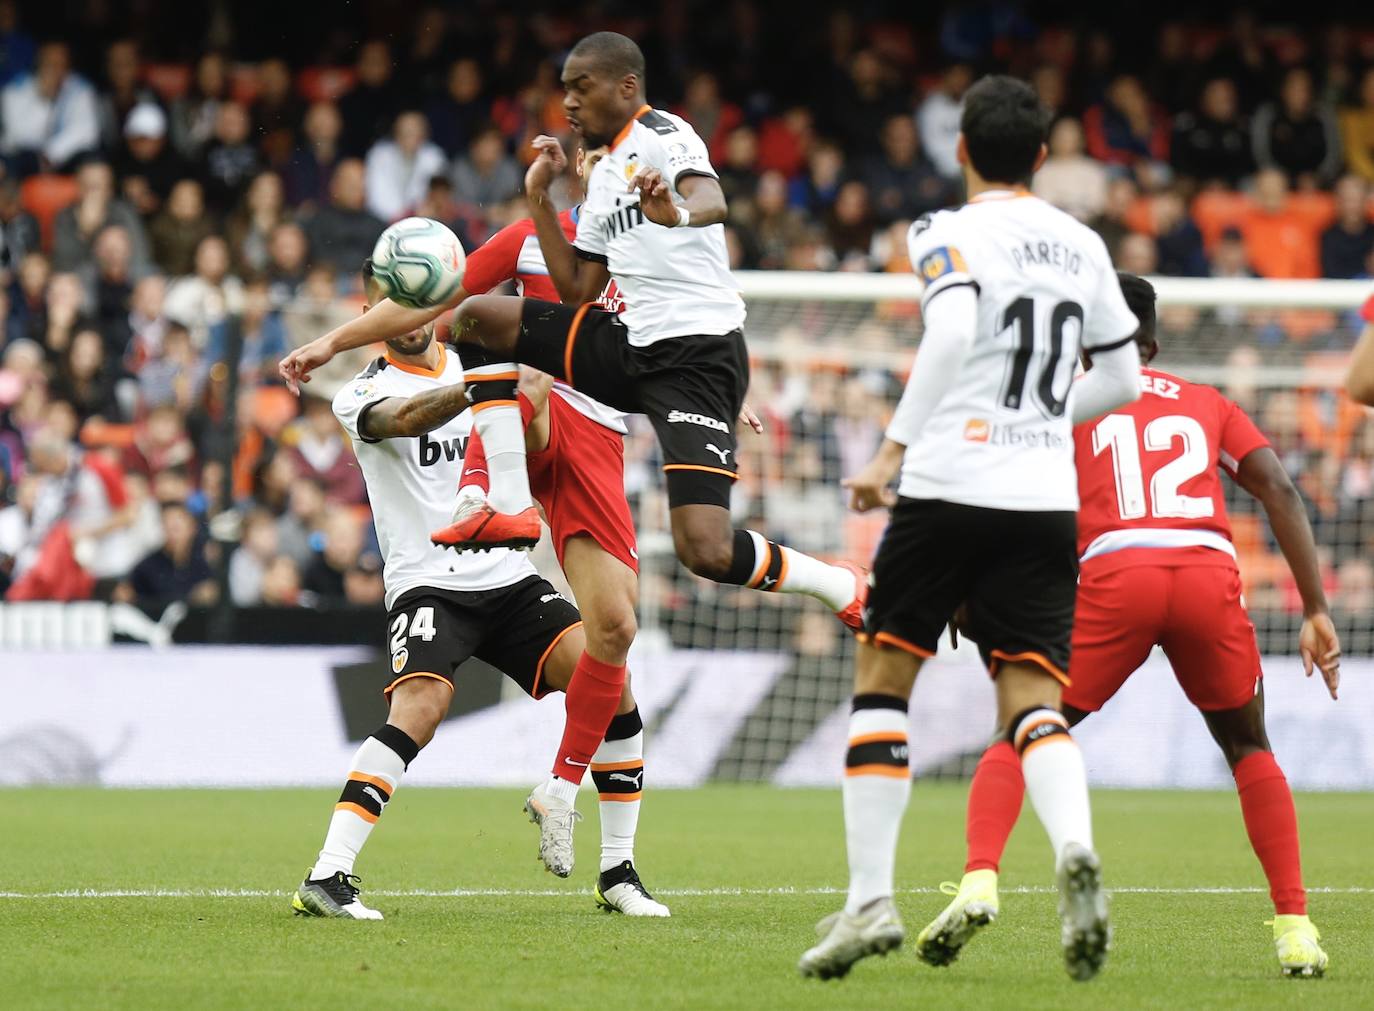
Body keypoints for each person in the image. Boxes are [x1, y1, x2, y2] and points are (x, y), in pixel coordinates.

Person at [281, 30, 865, 859]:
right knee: (498, 347)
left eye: (581, 95)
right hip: (539, 409)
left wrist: (723, 396)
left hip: (594, 426)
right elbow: (427, 304)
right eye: (566, 99)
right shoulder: (547, 235)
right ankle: (497, 498)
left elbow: (695, 263)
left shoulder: (647, 196)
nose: (572, 116)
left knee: (616, 630)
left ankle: (591, 827)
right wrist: (331, 343)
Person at [798, 75, 1143, 983]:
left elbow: (951, 332)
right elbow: (1124, 381)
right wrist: (1038, 419)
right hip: (1042, 498)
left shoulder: (941, 231)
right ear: (1041, 156)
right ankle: (1073, 846)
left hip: (950, 482)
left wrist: (888, 454)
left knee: (884, 676)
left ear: (960, 151)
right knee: (1032, 700)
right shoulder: (1082, 243)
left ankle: (870, 898)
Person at [919, 275, 1339, 979]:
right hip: (1207, 575)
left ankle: (979, 880)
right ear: (1153, 343)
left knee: (1024, 727)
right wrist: (1316, 607)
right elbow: (1279, 487)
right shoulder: (1209, 403)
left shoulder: (1061, 403)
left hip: (1116, 577)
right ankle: (1296, 928)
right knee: (1247, 745)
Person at [291, 260, 667, 920]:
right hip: (429, 584)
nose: (410, 316)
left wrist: (535, 398)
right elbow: (407, 419)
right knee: (421, 709)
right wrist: (485, 388)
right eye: (393, 302)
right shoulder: (356, 394)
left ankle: (619, 870)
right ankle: (329, 873)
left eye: (420, 299)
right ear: (378, 313)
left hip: (511, 578)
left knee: (610, 677)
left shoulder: (481, 355)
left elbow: (535, 439)